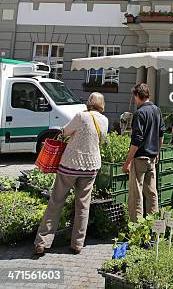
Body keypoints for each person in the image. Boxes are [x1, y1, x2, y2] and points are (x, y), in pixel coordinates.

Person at [34, 92, 108, 255]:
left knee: (56, 202)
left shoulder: (81, 116)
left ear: (89, 102)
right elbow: (101, 140)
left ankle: (42, 242)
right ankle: (77, 244)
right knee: (83, 205)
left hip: (70, 165)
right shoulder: (104, 120)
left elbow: (65, 132)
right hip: (91, 167)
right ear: (102, 104)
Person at [122, 83, 165, 220]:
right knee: (152, 193)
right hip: (152, 158)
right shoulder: (156, 110)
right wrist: (157, 151)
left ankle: (136, 227)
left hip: (140, 158)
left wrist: (127, 162)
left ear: (137, 96)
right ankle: (153, 226)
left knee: (136, 195)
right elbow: (161, 133)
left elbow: (136, 141)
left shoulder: (140, 113)